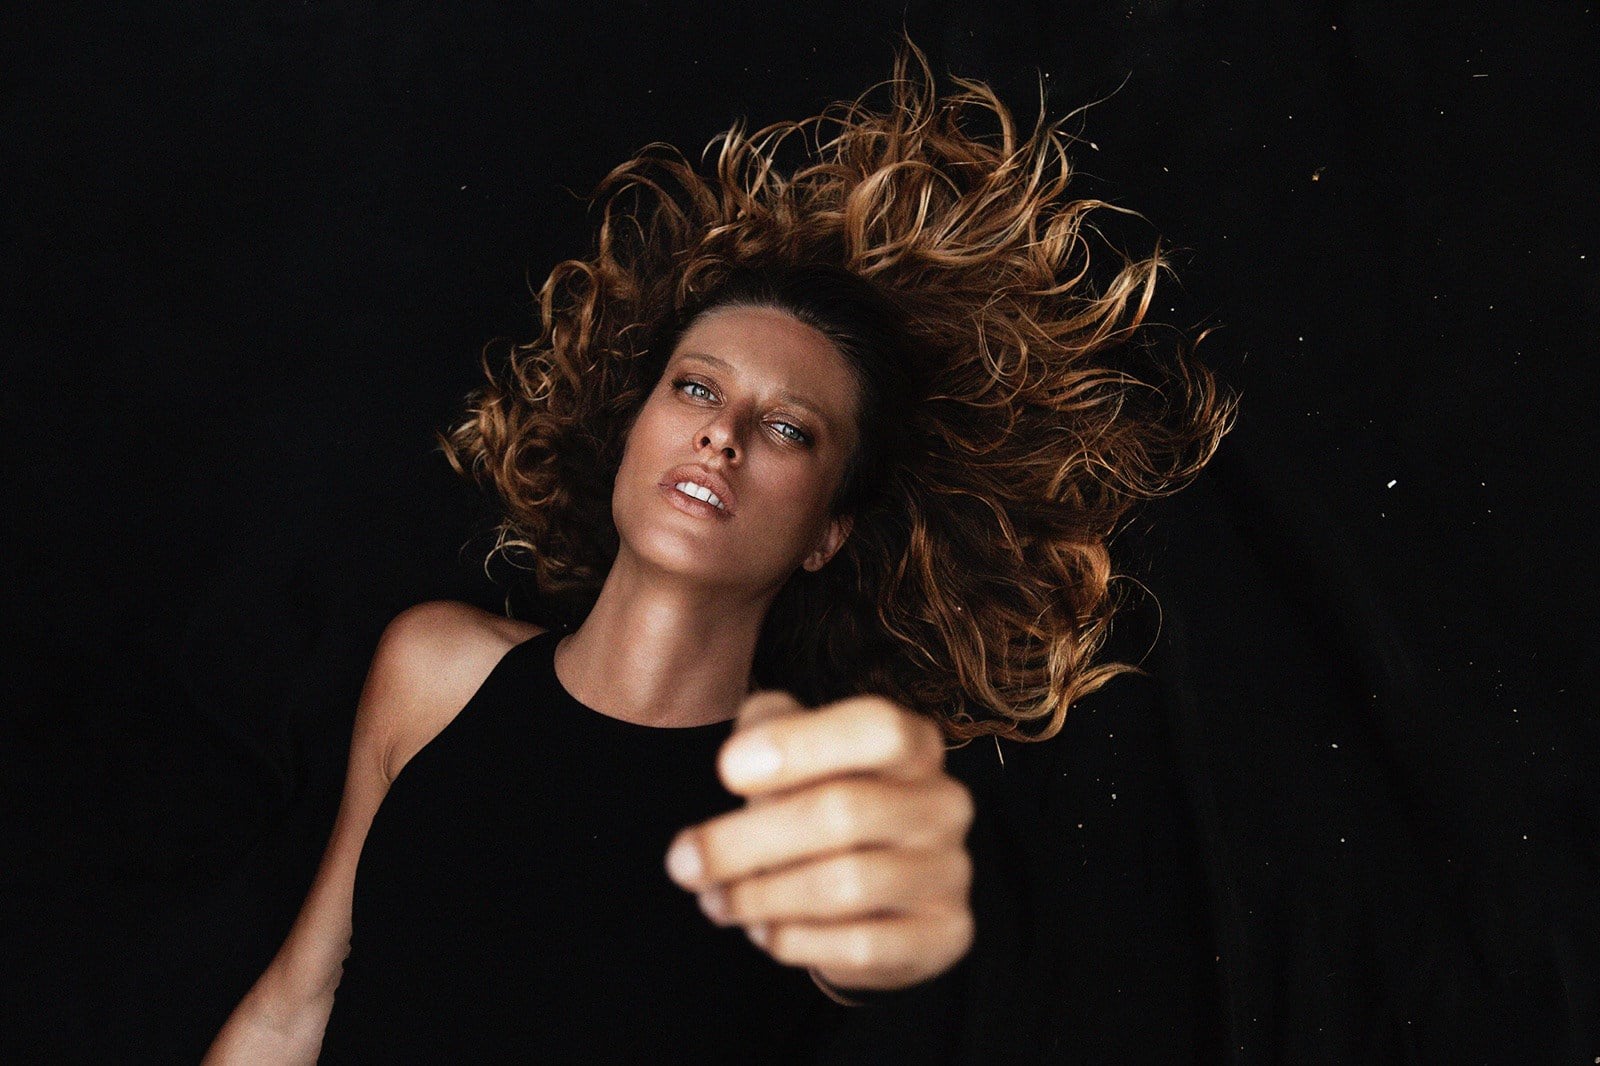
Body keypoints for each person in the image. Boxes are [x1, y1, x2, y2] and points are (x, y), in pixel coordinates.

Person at [203, 38, 1233, 1064]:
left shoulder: (812, 815)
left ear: (829, 531)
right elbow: (295, 1006)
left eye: (788, 428)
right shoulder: (433, 671)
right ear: (631, 425)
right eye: (696, 387)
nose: (721, 434)